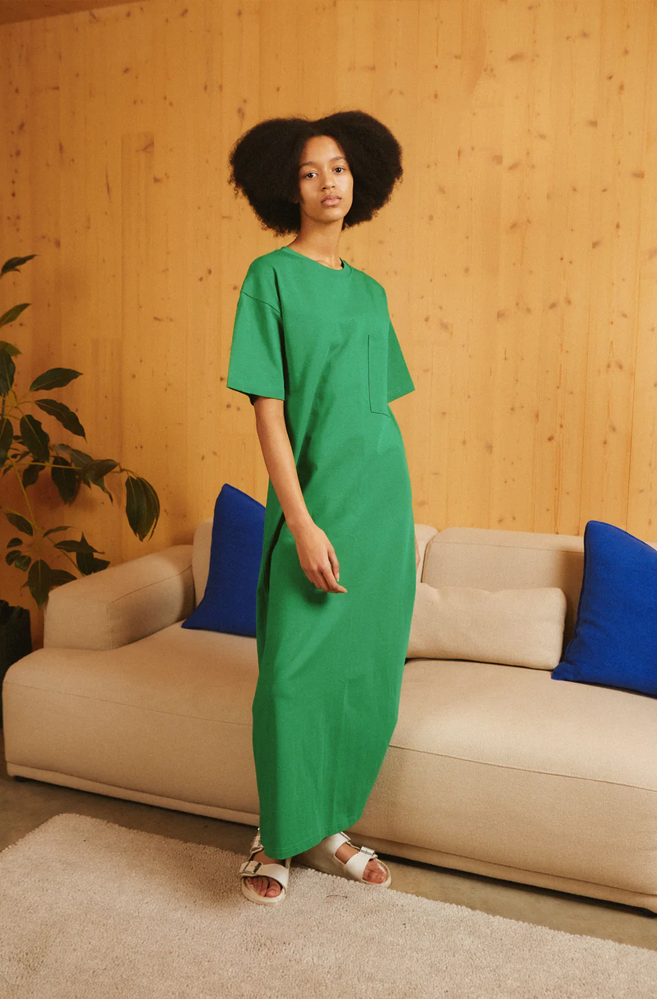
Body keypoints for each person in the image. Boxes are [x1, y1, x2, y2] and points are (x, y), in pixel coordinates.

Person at [226, 110, 420, 905]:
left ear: (358, 178)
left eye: (337, 168)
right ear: (288, 187)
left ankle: (326, 826)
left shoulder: (371, 294)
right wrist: (301, 522)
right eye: (309, 172)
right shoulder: (268, 277)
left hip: (380, 505)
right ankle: (276, 833)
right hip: (313, 505)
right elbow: (268, 411)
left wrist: (386, 514)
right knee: (292, 679)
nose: (326, 183)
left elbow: (375, 411)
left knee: (362, 679)